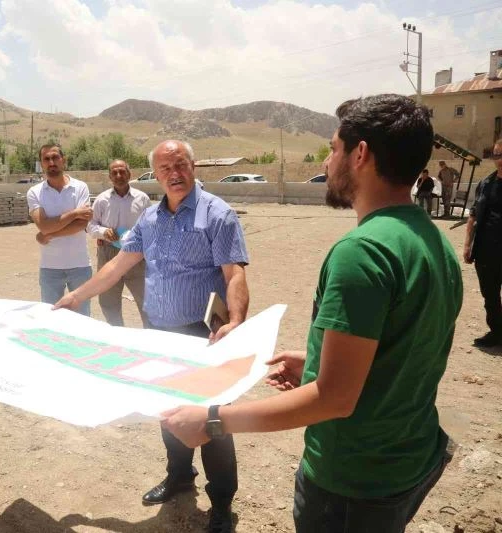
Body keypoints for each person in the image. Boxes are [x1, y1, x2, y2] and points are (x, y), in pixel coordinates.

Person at [161, 94, 462, 533]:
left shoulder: (362, 253)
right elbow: (405, 347)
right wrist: (320, 364)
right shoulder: (432, 241)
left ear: (360, 154)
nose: (328, 159)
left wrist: (211, 420)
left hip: (352, 482)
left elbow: (336, 399)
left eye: (334, 147)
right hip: (408, 459)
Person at [55, 140, 249, 533]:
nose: (174, 173)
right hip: (158, 334)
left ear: (193, 166)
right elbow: (116, 268)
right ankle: (179, 476)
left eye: (180, 164)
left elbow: (235, 275)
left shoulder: (218, 215)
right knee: (170, 414)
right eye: (165, 168)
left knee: (211, 422)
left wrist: (237, 320)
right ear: (156, 175)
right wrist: (75, 296)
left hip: (202, 337)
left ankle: (222, 504)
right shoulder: (150, 221)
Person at [27, 144, 93, 316]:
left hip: (80, 266)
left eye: (55, 157)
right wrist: (75, 213)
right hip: (50, 268)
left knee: (82, 318)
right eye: (46, 159)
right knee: (50, 318)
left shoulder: (80, 188)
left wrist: (51, 233)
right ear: (41, 164)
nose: (51, 162)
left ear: (64, 160)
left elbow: (81, 225)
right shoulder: (34, 192)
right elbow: (44, 225)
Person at [87, 159, 151, 327]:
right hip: (109, 253)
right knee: (108, 300)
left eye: (122, 171)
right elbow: (90, 225)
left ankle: (151, 337)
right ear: (109, 176)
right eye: (114, 172)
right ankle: (117, 334)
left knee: (146, 300)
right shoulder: (101, 200)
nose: (118, 175)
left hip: (136, 255)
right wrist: (103, 232)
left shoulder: (142, 199)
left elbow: (152, 225)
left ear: (129, 174)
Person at [462, 138, 502, 347]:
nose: (500, 160)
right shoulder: (485, 184)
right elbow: (473, 216)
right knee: (490, 294)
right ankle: (497, 332)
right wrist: (467, 244)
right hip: (486, 250)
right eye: (496, 155)